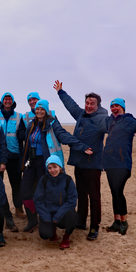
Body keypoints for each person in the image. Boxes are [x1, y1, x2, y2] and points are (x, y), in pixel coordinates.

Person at [20, 99, 93, 233]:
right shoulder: (31, 124)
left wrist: (81, 147)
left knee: (44, 192)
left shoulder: (52, 124)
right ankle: (32, 220)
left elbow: (64, 136)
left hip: (46, 162)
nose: (39, 111)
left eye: (42, 109)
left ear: (47, 111)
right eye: (37, 109)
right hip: (31, 161)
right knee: (25, 191)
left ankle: (48, 219)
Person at [53, 80, 108, 241]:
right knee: (81, 194)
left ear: (98, 105)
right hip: (79, 162)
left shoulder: (101, 119)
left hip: (93, 163)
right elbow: (71, 105)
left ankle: (94, 226)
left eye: (92, 103)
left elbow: (113, 127)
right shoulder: (80, 114)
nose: (89, 106)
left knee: (94, 196)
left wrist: (127, 130)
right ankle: (82, 221)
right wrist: (61, 92)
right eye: (87, 103)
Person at [103, 98, 136, 235]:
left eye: (116, 106)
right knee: (114, 192)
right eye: (112, 106)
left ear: (122, 108)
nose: (114, 108)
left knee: (118, 190)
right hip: (109, 162)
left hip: (122, 162)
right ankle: (116, 221)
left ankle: (124, 221)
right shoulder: (109, 121)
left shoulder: (128, 120)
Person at [34, 155, 78, 249]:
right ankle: (52, 230)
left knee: (73, 215)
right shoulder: (44, 180)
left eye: (55, 167)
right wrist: (46, 217)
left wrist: (57, 216)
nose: (52, 170)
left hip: (62, 214)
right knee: (45, 235)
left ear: (60, 167)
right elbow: (38, 200)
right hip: (48, 214)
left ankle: (66, 237)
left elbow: (72, 200)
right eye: (49, 168)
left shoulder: (68, 180)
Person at [0, 92, 26, 231]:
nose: (7, 101)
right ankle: (0, 209)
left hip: (14, 154)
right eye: (5, 99)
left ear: (13, 102)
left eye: (10, 99)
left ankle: (18, 208)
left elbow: (23, 132)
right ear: (2, 102)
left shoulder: (19, 116)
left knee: (16, 184)